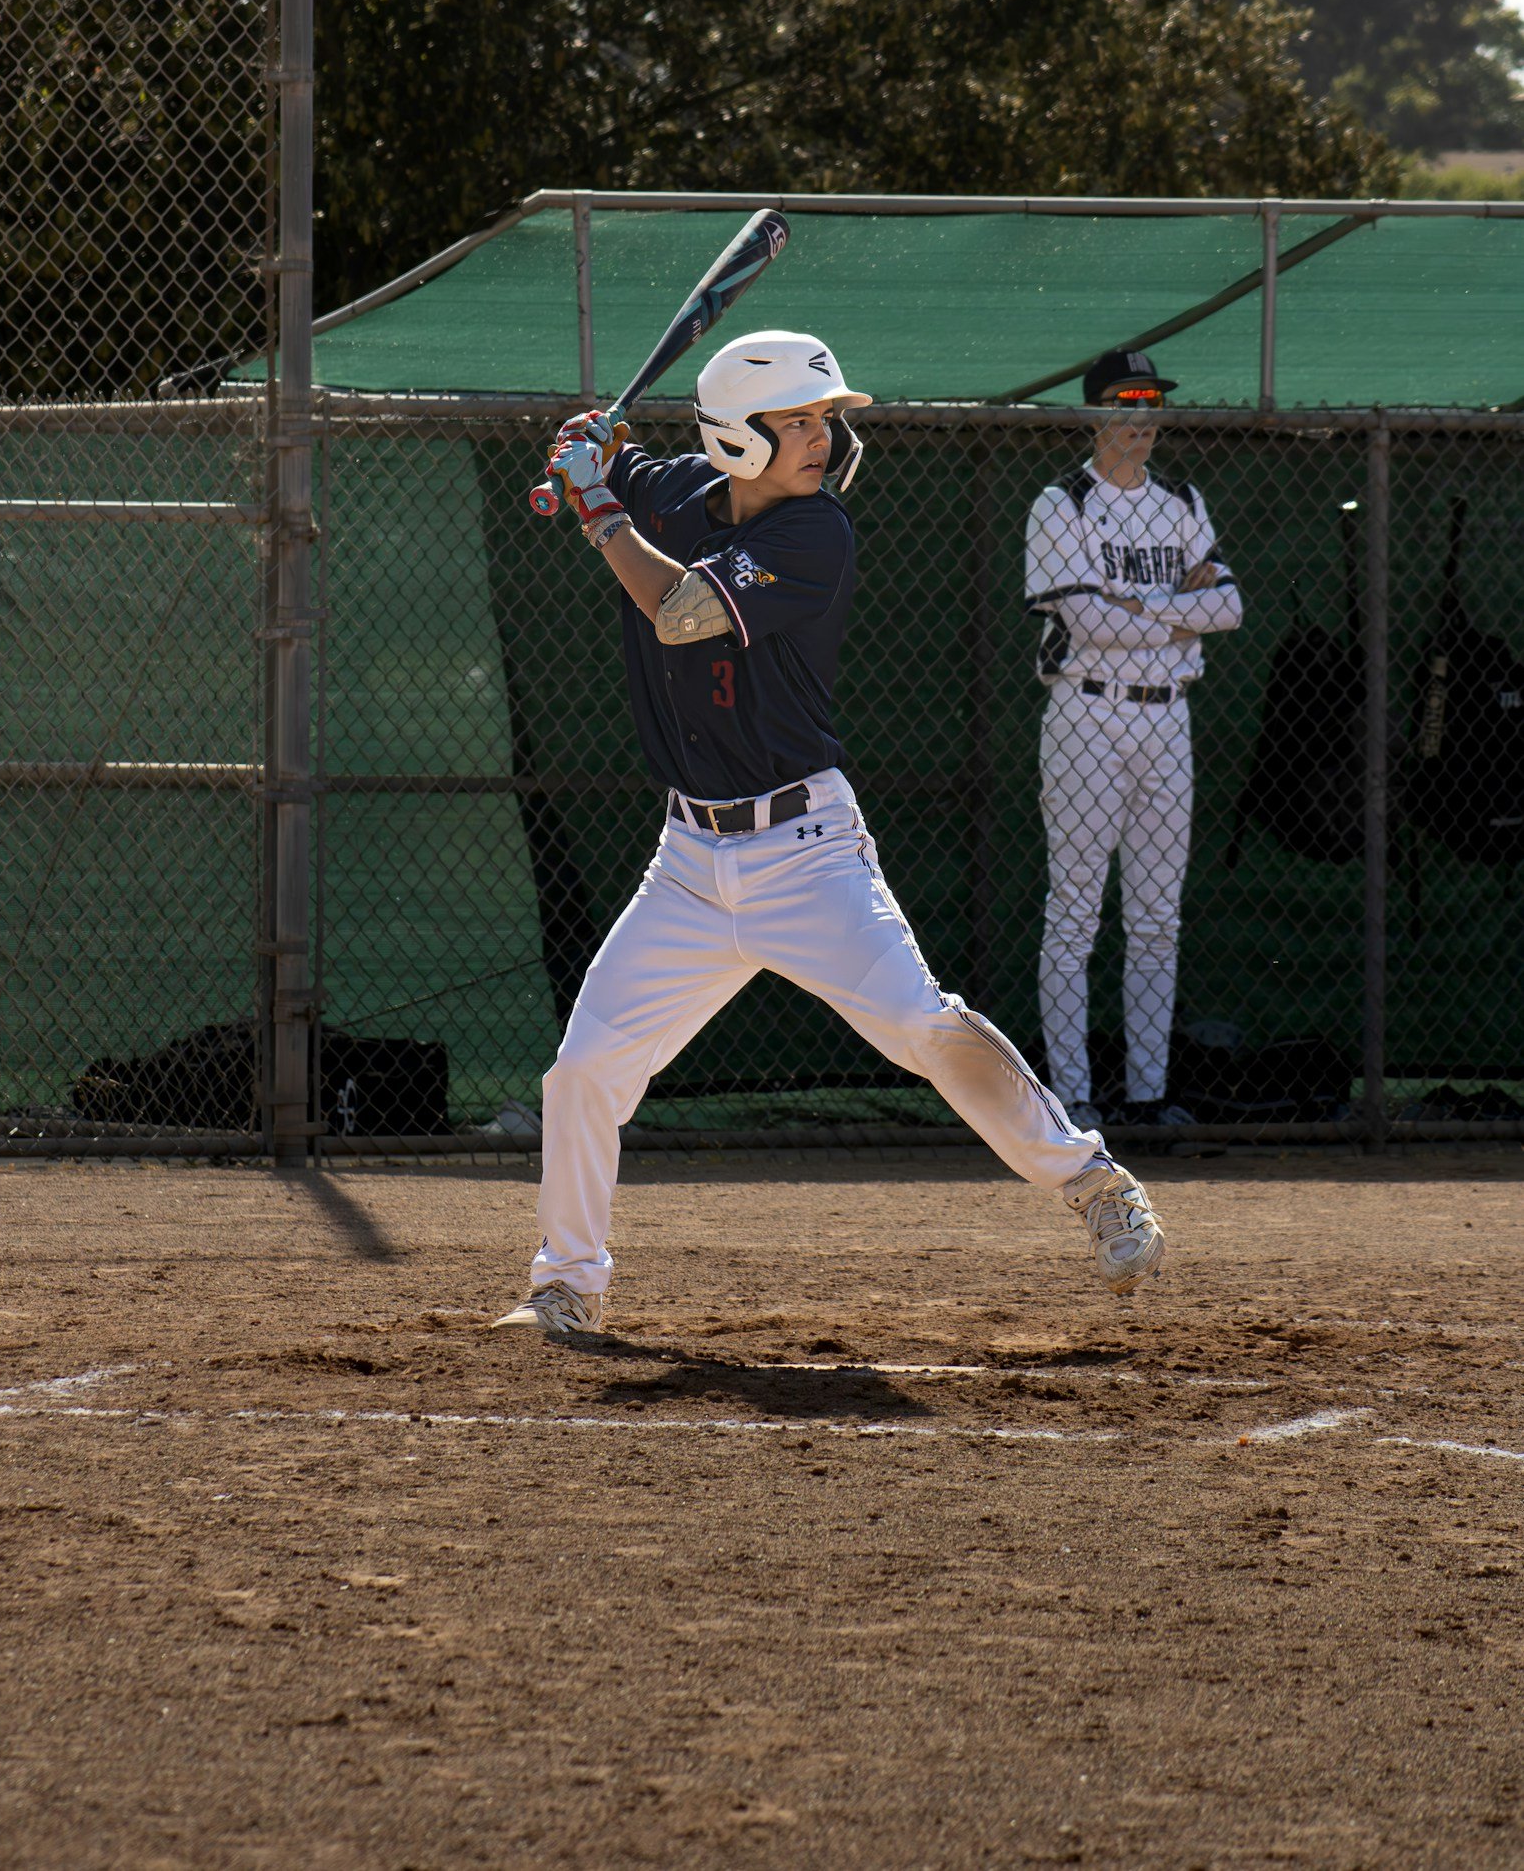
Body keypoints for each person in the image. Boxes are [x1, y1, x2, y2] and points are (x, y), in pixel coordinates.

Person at [493, 329, 1166, 1339]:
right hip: (684, 859)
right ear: (734, 438)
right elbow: (602, 456)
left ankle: (1094, 1180)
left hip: (803, 849)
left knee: (921, 1023)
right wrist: (584, 448)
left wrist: (591, 504)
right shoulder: (674, 490)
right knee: (583, 1068)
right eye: (795, 421)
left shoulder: (816, 535)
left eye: (822, 419)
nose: (819, 438)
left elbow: (678, 612)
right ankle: (566, 1282)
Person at [1024, 349, 1243, 1130]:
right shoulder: (1062, 503)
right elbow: (1086, 622)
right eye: (1126, 403)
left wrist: (1133, 603)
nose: (1141, 419)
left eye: (1150, 403)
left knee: (1155, 917)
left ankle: (1148, 1096)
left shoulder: (1180, 498)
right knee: (1075, 909)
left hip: (1167, 715)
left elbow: (1229, 608)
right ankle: (1072, 1095)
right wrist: (1173, 604)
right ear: (1095, 415)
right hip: (1087, 713)